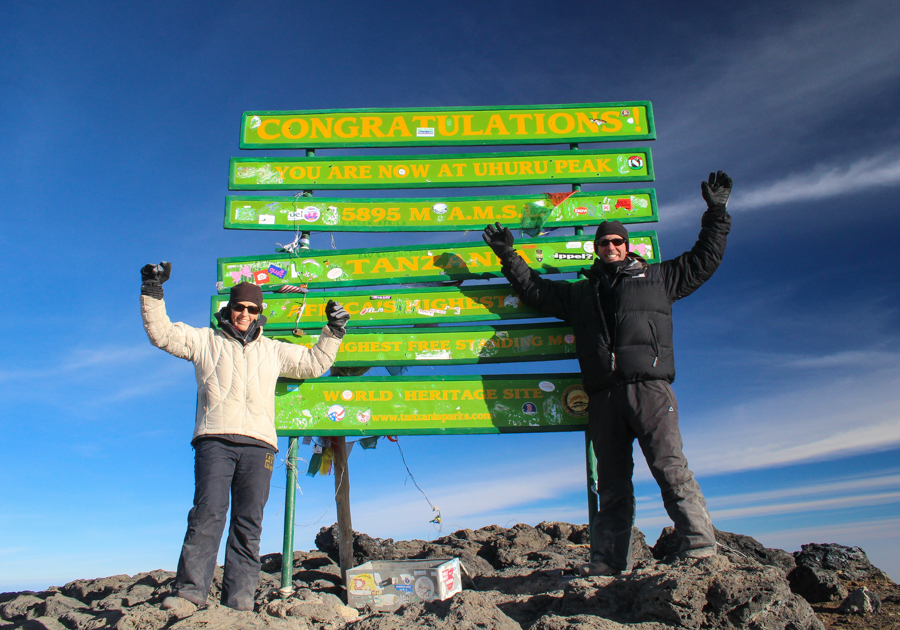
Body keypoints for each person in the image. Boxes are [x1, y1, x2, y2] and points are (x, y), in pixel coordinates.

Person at [483, 171, 732, 576]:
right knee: (612, 484)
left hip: (650, 390)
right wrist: (507, 255)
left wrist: (717, 212)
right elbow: (537, 291)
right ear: (596, 248)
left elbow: (705, 258)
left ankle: (700, 548)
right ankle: (608, 563)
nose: (611, 246)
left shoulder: (660, 278)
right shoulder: (583, 292)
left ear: (627, 246)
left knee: (670, 469)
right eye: (604, 242)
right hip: (603, 398)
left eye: (618, 241)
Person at [139, 262, 349, 612]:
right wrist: (152, 289)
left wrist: (334, 330)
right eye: (239, 307)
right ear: (229, 308)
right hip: (215, 440)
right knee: (207, 515)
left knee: (248, 525)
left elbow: (313, 363)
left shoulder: (273, 350)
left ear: (259, 313)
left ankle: (239, 605)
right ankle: (190, 594)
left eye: (252, 309)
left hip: (259, 445)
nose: (245, 314)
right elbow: (161, 334)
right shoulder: (204, 341)